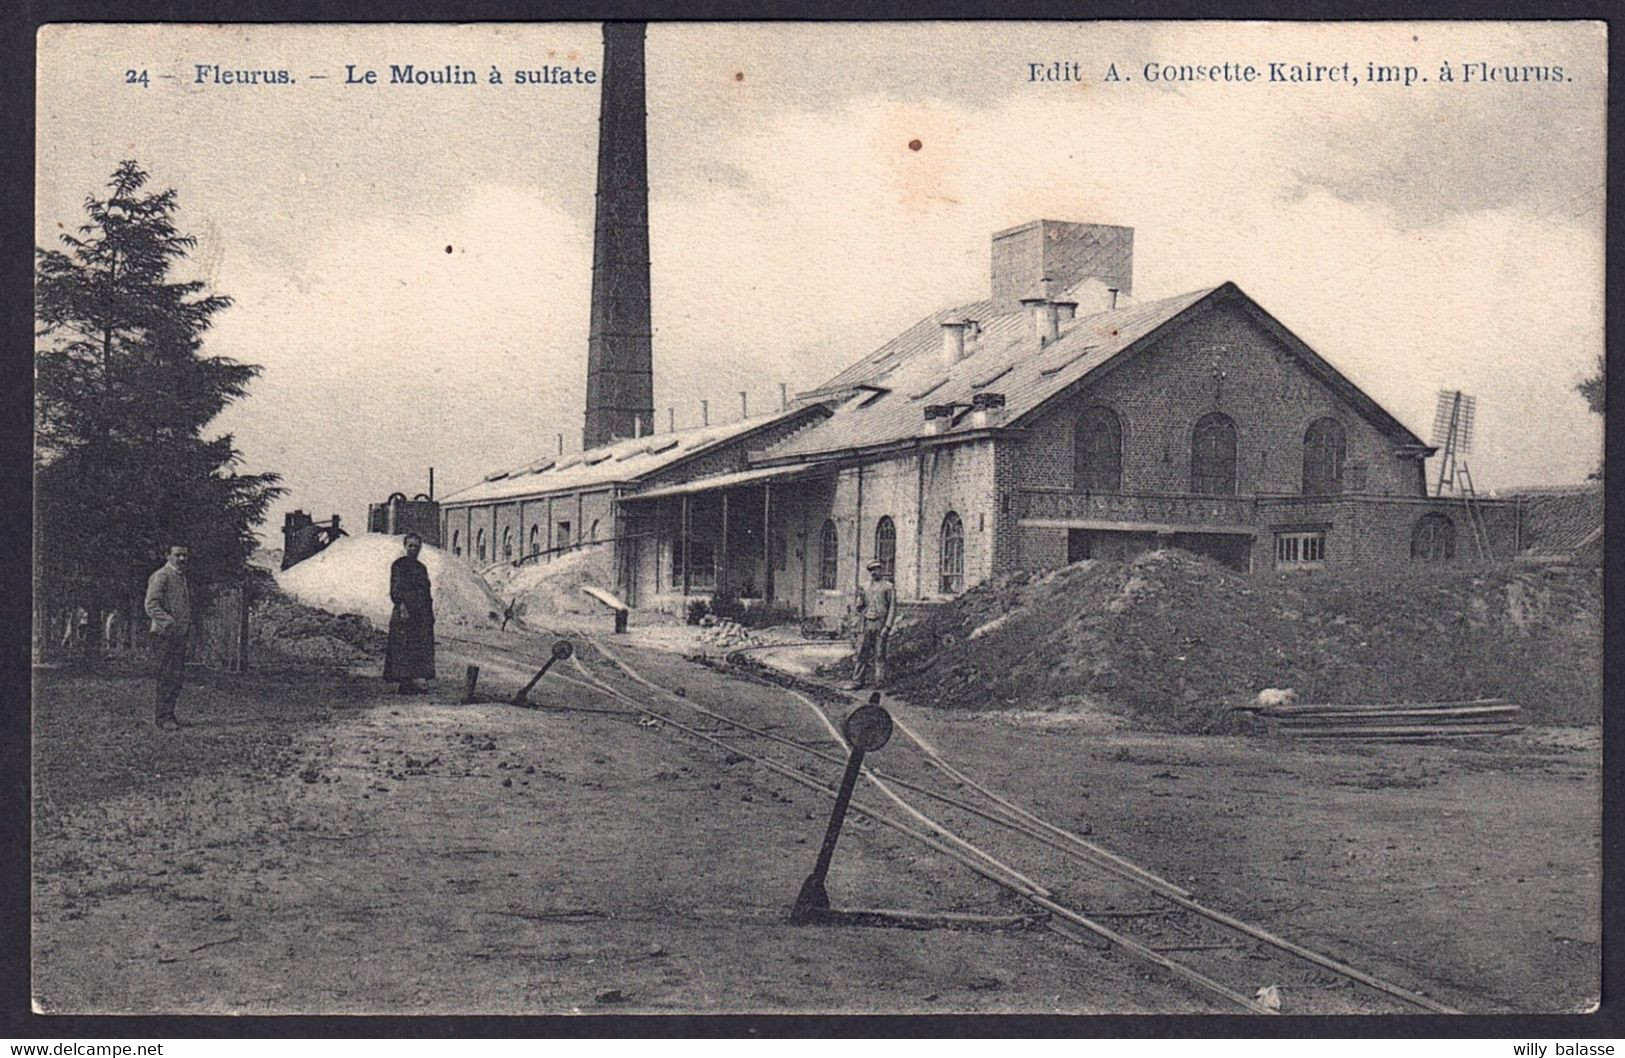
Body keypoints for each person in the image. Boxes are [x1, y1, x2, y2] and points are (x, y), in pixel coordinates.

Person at [144, 544, 193, 730]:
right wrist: (169, 622)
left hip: (179, 635)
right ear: (168, 556)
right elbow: (151, 604)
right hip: (164, 635)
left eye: (185, 555)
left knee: (176, 676)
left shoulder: (180, 577)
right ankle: (162, 718)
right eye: (178, 555)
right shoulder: (162, 575)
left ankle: (169, 714)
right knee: (166, 676)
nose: (182, 559)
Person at [384, 533, 436, 693]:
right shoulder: (399, 565)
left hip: (421, 613)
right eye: (411, 545)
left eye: (417, 546)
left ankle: (416, 681)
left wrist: (430, 613)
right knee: (403, 647)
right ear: (405, 546)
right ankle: (404, 683)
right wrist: (402, 606)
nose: (414, 549)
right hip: (404, 611)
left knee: (418, 646)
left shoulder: (421, 568)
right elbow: (395, 588)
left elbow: (426, 591)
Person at [848, 559, 896, 690]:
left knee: (879, 653)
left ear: (881, 570)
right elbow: (859, 606)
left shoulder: (888, 586)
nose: (874, 572)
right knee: (861, 652)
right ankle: (857, 681)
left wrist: (888, 626)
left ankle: (879, 682)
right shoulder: (865, 586)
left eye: (876, 569)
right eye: (871, 570)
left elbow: (892, 607)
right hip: (866, 623)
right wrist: (859, 602)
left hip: (880, 623)